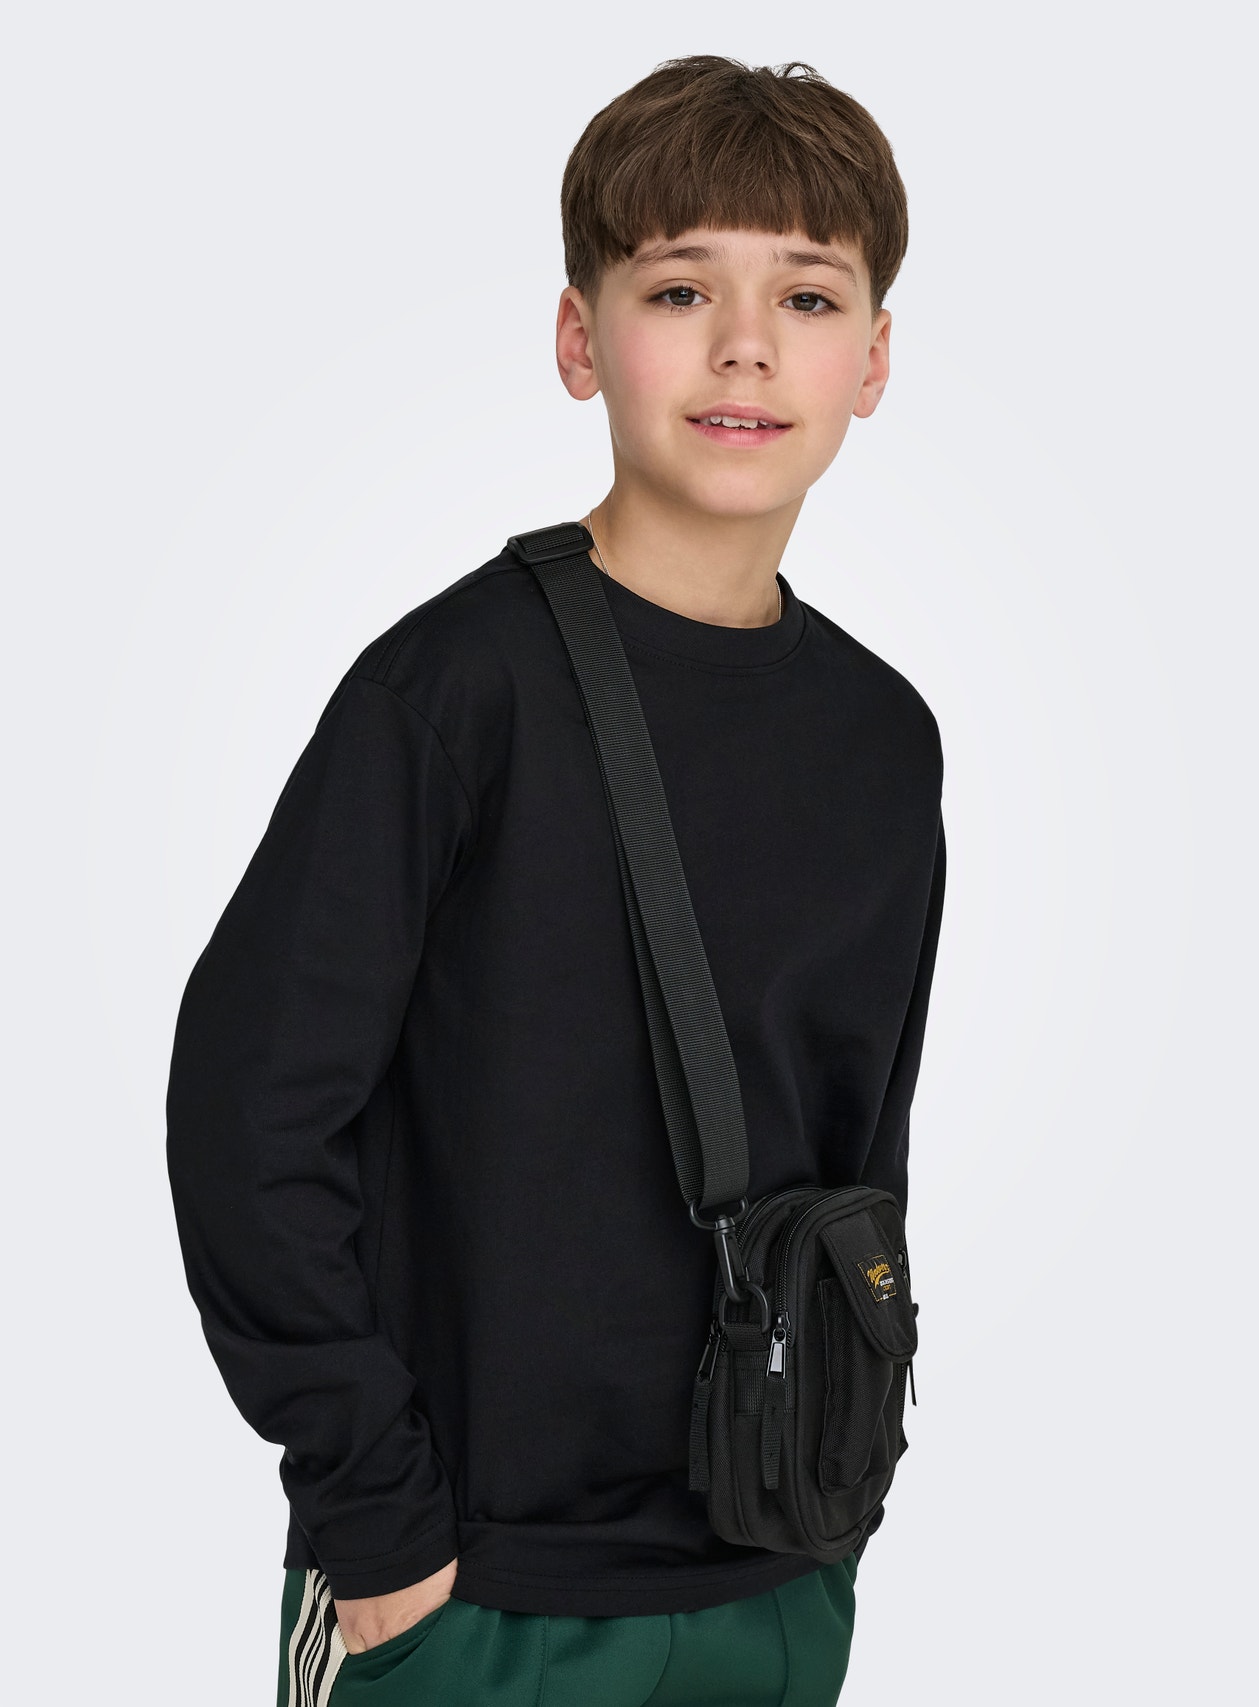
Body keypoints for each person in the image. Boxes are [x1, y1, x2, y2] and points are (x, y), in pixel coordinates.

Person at [166, 53, 946, 1707]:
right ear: (584, 339)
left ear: (873, 358)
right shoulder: (457, 694)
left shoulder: (885, 739)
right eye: (681, 289)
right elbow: (249, 1116)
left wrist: (842, 1493)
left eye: (808, 297)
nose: (746, 346)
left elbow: (861, 1154)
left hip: (776, 1577)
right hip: (473, 1592)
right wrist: (377, 1520)